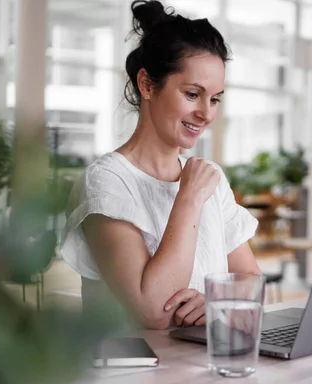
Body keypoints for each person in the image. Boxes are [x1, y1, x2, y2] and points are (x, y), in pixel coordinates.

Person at [60, 0, 261, 330]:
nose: (207, 114)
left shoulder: (209, 178)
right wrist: (189, 198)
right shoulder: (106, 182)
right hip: (132, 377)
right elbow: (153, 311)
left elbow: (251, 279)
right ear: (147, 84)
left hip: (200, 368)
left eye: (214, 99)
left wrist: (213, 301)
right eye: (193, 94)